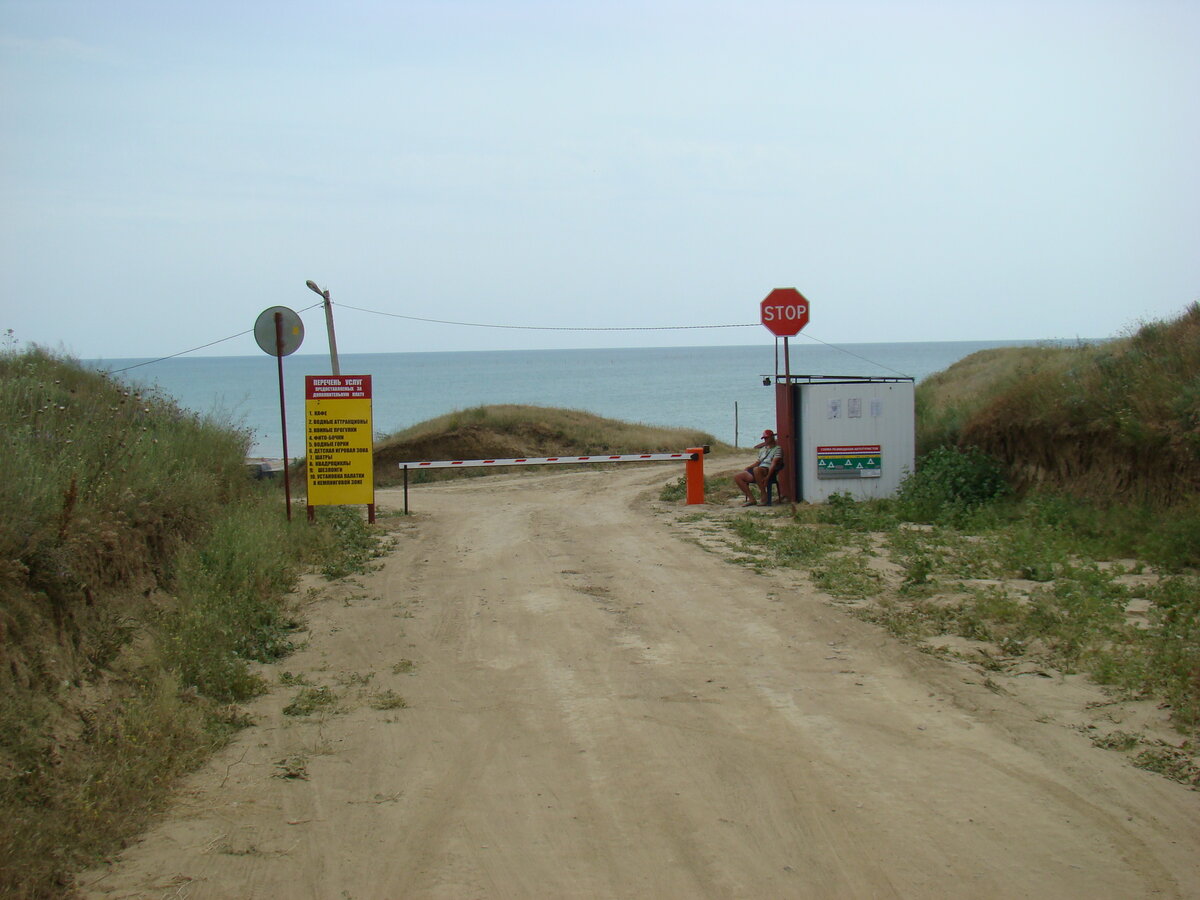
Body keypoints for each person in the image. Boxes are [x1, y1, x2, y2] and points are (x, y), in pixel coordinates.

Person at [734, 429, 783, 506]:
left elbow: (773, 463)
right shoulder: (763, 449)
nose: (765, 440)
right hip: (758, 469)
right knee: (738, 476)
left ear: (772, 438)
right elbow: (758, 462)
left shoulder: (777, 449)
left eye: (767, 438)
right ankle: (751, 499)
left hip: (767, 469)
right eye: (764, 438)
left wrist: (768, 477)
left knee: (757, 470)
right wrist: (748, 467)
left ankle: (764, 494)